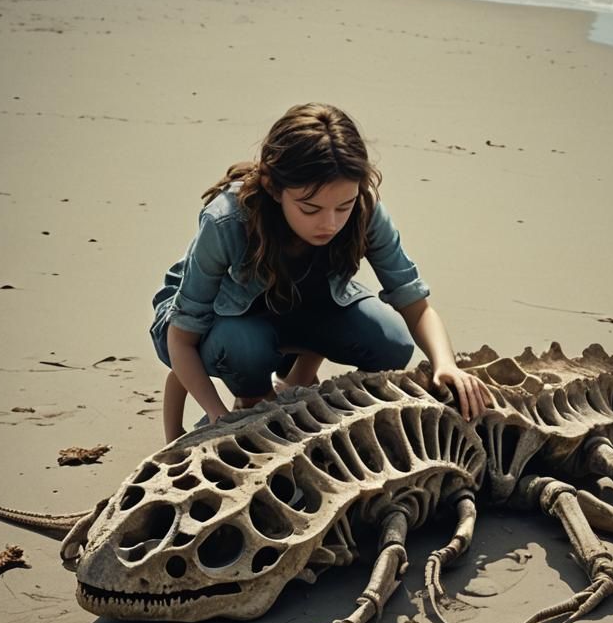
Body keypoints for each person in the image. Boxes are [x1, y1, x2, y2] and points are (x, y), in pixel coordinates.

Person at [150, 102, 490, 442]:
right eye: (310, 208)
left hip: (295, 306)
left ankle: (291, 382)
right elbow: (181, 339)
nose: (329, 223)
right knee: (243, 348)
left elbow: (415, 304)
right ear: (272, 187)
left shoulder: (364, 210)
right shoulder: (226, 220)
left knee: (393, 342)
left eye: (343, 206)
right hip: (213, 324)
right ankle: (252, 395)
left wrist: (445, 363)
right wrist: (217, 414)